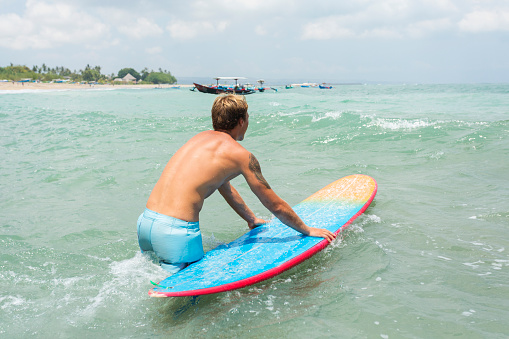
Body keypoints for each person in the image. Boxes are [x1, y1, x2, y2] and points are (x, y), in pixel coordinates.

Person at [137, 94, 336, 273]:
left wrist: (252, 219)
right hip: (176, 233)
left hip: (146, 224)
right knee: (187, 304)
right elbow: (274, 204)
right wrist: (307, 230)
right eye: (248, 118)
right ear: (241, 121)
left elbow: (223, 186)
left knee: (157, 281)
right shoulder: (241, 155)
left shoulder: (198, 139)